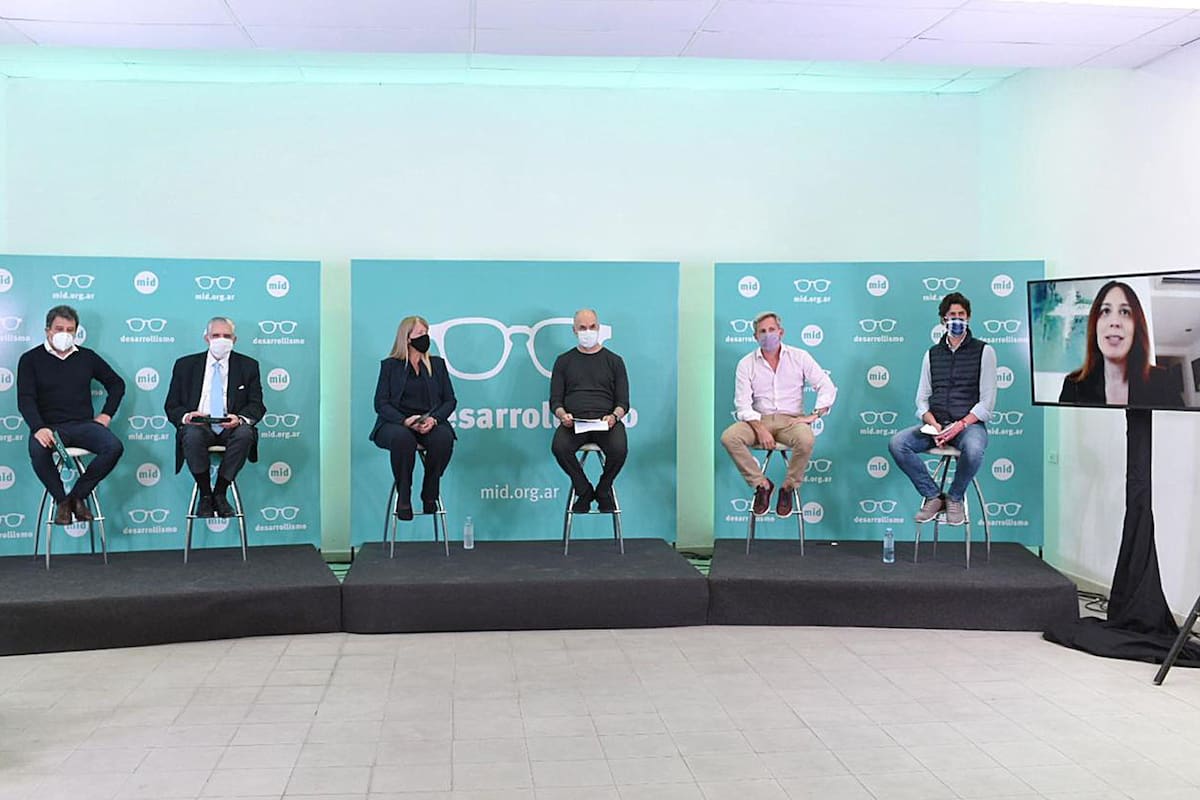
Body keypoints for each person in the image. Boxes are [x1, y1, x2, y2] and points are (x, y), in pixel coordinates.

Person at [889, 292, 997, 526]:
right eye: (951, 315)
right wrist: (933, 424)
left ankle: (955, 497)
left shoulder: (984, 351)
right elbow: (922, 399)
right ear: (943, 320)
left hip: (968, 425)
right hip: (937, 425)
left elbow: (987, 404)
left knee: (975, 448)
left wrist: (959, 426)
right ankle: (933, 496)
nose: (956, 319)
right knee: (898, 443)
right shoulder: (931, 354)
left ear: (968, 318)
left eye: (961, 315)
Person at [720, 312, 837, 518]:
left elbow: (826, 386)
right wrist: (760, 428)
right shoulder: (746, 364)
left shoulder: (800, 357)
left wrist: (815, 414)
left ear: (781, 332)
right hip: (758, 419)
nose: (767, 335)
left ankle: (788, 488)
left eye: (771, 330)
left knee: (806, 439)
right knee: (729, 437)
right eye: (762, 332)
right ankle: (762, 485)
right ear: (755, 337)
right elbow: (743, 405)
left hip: (791, 420)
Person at [16, 305, 126, 525]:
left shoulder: (87, 357)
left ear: (76, 332)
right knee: (37, 449)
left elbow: (117, 384)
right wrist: (38, 428)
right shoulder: (30, 359)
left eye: (70, 329)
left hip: (84, 425)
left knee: (114, 447)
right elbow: (25, 399)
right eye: (59, 329)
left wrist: (106, 415)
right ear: (48, 330)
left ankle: (76, 497)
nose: (64, 334)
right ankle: (62, 501)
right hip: (50, 427)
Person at [164, 317, 266, 518]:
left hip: (232, 426)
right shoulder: (185, 365)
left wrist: (240, 418)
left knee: (246, 433)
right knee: (191, 434)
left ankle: (220, 492)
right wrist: (187, 416)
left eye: (226, 336)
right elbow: (172, 405)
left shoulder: (248, 366)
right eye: (216, 335)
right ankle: (205, 494)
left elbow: (257, 405)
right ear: (206, 338)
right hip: (200, 425)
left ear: (234, 340)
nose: (221, 340)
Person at [370, 316, 456, 520]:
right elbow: (381, 403)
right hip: (396, 423)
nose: (425, 338)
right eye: (419, 334)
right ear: (407, 338)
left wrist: (433, 419)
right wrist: (405, 421)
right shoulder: (390, 366)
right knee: (403, 438)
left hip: (429, 422)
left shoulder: (437, 365)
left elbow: (450, 400)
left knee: (443, 439)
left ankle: (430, 491)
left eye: (426, 334)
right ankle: (404, 496)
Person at [550, 309, 629, 513]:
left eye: (592, 327)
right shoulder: (563, 361)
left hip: (606, 423)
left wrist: (614, 417)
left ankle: (603, 490)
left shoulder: (615, 361)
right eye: (582, 328)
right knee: (559, 447)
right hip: (574, 423)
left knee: (619, 449)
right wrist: (562, 414)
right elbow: (555, 401)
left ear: (599, 328)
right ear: (574, 330)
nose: (588, 331)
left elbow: (623, 402)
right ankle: (583, 490)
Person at [1058, 280, 1182, 408]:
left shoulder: (1163, 383)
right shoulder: (1073, 386)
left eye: (1124, 312)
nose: (1115, 322)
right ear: (1094, 325)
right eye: (1105, 311)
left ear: (1136, 327)